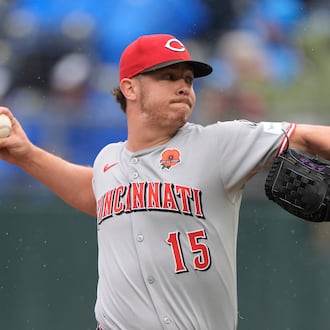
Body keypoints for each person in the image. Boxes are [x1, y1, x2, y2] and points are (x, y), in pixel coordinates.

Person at [0, 33, 330, 330]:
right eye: (168, 77)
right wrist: (26, 154)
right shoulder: (108, 160)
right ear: (130, 87)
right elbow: (95, 192)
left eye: (188, 79)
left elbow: (308, 136)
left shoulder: (218, 143)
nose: (183, 86)